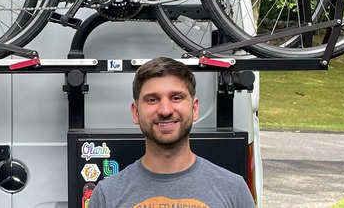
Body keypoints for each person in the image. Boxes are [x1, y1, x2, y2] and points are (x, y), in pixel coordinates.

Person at [88, 57, 255, 208]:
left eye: (176, 98)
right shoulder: (106, 196)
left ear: (194, 108)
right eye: (152, 99)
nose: (165, 110)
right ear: (135, 112)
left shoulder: (234, 190)